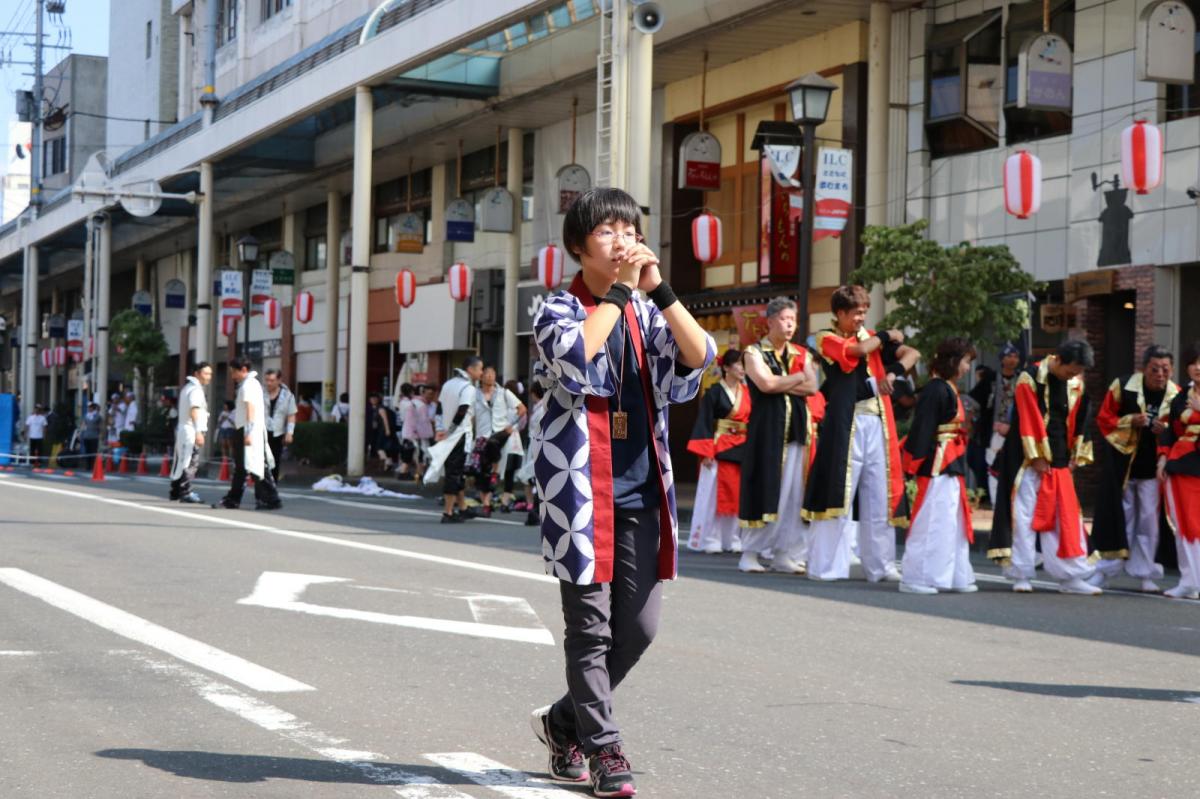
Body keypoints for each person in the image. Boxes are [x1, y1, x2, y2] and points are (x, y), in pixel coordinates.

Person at [527, 187, 713, 799]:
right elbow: (577, 356)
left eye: (627, 228)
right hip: (580, 493)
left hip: (641, 489)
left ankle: (562, 721)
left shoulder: (645, 311)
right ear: (579, 247)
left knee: (640, 629)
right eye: (605, 231)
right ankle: (604, 751)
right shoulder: (555, 309)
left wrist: (660, 289)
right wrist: (618, 294)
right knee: (590, 632)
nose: (621, 240)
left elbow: (700, 359)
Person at [802, 285, 919, 582]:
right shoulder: (824, 337)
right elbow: (855, 352)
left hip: (877, 421)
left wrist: (893, 372)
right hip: (845, 423)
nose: (861, 318)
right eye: (857, 313)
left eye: (865, 312)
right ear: (840, 313)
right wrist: (885, 336)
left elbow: (911, 352)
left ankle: (881, 566)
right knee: (839, 492)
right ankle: (827, 565)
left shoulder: (871, 337)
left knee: (879, 493)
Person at [989, 339, 1099, 594]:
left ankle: (1070, 575)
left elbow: (1081, 420)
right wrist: (1036, 455)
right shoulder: (1030, 377)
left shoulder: (1076, 384)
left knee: (1065, 517)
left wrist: (1075, 456)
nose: (1073, 376)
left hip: (1060, 459)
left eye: (1077, 372)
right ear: (1058, 360)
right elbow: (1028, 417)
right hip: (1026, 459)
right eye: (1070, 370)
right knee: (1023, 515)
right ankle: (1021, 574)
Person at [736, 298, 819, 573]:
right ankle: (750, 552)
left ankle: (785, 552)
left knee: (794, 492)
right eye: (784, 319)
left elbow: (813, 386)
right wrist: (796, 378)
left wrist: (784, 381)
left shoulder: (800, 353)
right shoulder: (754, 352)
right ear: (770, 321)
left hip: (796, 430)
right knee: (766, 485)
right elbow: (766, 383)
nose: (789, 325)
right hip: (767, 431)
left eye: (793, 320)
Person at [1089, 345, 1178, 592]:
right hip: (1123, 466)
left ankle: (1146, 573)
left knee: (1149, 521)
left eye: (1165, 369)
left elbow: (1182, 431)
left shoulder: (1176, 394)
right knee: (1121, 517)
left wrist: (1166, 431)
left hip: (1153, 469)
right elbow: (1104, 419)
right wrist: (1129, 421)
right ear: (1144, 368)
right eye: (1154, 369)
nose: (1160, 374)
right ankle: (1106, 571)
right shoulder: (1123, 385)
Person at [899, 338, 979, 595]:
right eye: (966, 361)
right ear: (954, 361)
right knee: (931, 521)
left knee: (950, 522)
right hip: (936, 463)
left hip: (950, 461)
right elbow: (922, 430)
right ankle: (916, 577)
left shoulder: (946, 387)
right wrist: (911, 466)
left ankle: (955, 575)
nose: (967, 368)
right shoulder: (936, 389)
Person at [686, 349, 751, 555]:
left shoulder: (748, 394)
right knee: (714, 496)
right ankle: (711, 538)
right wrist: (705, 452)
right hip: (719, 446)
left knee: (737, 496)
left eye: (744, 365)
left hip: (742, 447)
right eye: (739, 364)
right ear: (726, 368)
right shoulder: (713, 392)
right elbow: (704, 421)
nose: (742, 369)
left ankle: (733, 538)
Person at [214, 358, 282, 511]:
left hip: (247, 429)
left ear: (243, 369)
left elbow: (250, 409)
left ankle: (268, 498)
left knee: (252, 466)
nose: (233, 376)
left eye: (234, 372)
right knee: (248, 466)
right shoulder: (251, 384)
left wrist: (248, 432)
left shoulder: (248, 385)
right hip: (249, 429)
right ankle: (262, 498)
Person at [1160, 342, 1200, 600]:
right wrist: (1162, 459)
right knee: (1184, 523)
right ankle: (1189, 580)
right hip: (1182, 463)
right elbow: (1169, 432)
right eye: (1194, 362)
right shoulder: (1179, 397)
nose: (1198, 368)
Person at [426, 356, 483, 523]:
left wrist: (440, 430)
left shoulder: (448, 384)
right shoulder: (468, 388)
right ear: (471, 369)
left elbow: (439, 408)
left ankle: (462, 507)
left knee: (455, 471)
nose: (481, 372)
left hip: (446, 434)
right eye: (480, 369)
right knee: (454, 473)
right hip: (459, 435)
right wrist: (450, 430)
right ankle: (448, 512)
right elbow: (462, 410)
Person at [472, 366, 526, 516]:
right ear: (481, 376)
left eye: (493, 374)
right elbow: (470, 415)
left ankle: (500, 495)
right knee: (482, 473)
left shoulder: (504, 393)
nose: (490, 376)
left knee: (503, 469)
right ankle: (486, 505)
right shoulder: (474, 394)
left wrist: (512, 425)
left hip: (500, 435)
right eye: (487, 374)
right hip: (482, 435)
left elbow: (522, 409)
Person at [170, 362, 212, 503]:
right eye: (205, 373)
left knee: (182, 460)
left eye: (210, 374)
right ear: (197, 374)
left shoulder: (187, 388)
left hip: (184, 429)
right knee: (190, 462)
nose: (209, 377)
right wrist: (198, 432)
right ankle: (185, 492)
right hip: (191, 429)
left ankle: (176, 490)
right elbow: (194, 411)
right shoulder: (195, 390)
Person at [985, 345, 1023, 502]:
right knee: (993, 465)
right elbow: (977, 402)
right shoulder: (991, 379)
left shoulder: (1022, 379)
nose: (1012, 360)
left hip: (1016, 429)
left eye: (1015, 356)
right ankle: (995, 502)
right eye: (1009, 356)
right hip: (995, 429)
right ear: (1002, 359)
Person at [516, 379, 548, 526]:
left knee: (528, 475)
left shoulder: (542, 408)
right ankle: (532, 508)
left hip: (539, 445)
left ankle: (533, 509)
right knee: (530, 476)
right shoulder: (539, 407)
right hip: (535, 445)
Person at [263, 369, 298, 484]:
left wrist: (289, 433)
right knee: (262, 462)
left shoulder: (287, 396)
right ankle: (262, 489)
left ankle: (272, 486)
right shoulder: (261, 393)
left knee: (274, 461)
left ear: (279, 380)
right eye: (267, 380)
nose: (269, 383)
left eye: (272, 380)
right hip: (262, 431)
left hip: (277, 432)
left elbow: (291, 415)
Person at [403, 384, 435, 482]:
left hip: (410, 433)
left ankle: (414, 473)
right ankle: (418, 474)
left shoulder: (410, 403)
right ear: (422, 393)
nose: (431, 396)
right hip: (418, 435)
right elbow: (423, 422)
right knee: (420, 455)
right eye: (428, 393)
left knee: (412, 455)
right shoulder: (421, 405)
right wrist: (428, 433)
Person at [366, 392, 396, 470]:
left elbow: (385, 419)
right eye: (371, 398)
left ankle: (387, 461)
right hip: (377, 431)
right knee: (380, 447)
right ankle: (387, 463)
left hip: (381, 430)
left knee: (379, 447)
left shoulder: (381, 408)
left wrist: (387, 429)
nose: (373, 400)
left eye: (375, 398)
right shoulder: (374, 408)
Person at [80, 402, 103, 470]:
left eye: (90, 407)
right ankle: (87, 465)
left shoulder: (97, 416)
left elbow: (101, 425)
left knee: (93, 451)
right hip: (86, 435)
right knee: (87, 451)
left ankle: (93, 465)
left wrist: (101, 434)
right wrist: (81, 433)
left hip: (94, 436)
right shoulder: (86, 415)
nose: (89, 408)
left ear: (93, 408)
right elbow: (83, 425)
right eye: (88, 407)